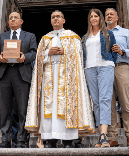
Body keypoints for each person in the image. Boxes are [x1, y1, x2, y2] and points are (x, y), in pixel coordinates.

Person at [25, 10, 95, 148]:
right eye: (53, 17)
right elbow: (38, 59)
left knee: (65, 107)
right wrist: (47, 52)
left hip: (67, 77)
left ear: (64, 20)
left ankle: (68, 140)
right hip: (49, 77)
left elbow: (79, 56)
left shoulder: (72, 37)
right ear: (51, 21)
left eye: (58, 17)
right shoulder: (45, 38)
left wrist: (66, 52)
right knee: (50, 108)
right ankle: (50, 140)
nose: (56, 19)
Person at [0, 12, 37, 148]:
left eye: (15, 18)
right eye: (10, 18)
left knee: (22, 110)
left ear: (21, 21)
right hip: (4, 75)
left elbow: (34, 53)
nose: (12, 20)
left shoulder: (30, 36)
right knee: (4, 110)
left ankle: (22, 140)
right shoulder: (2, 36)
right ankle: (6, 140)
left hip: (21, 75)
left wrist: (25, 57)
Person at [82, 9, 117, 148]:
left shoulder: (108, 34)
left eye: (96, 16)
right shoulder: (85, 37)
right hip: (90, 68)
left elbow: (114, 53)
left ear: (100, 18)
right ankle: (100, 135)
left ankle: (104, 135)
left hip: (105, 67)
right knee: (95, 102)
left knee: (104, 99)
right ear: (89, 19)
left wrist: (110, 63)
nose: (93, 18)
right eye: (91, 16)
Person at [105, 8, 129, 147]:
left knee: (126, 102)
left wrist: (122, 51)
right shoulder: (101, 33)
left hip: (121, 67)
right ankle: (112, 137)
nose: (109, 16)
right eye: (106, 14)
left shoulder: (126, 32)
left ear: (117, 17)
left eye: (111, 14)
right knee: (109, 104)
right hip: (105, 69)